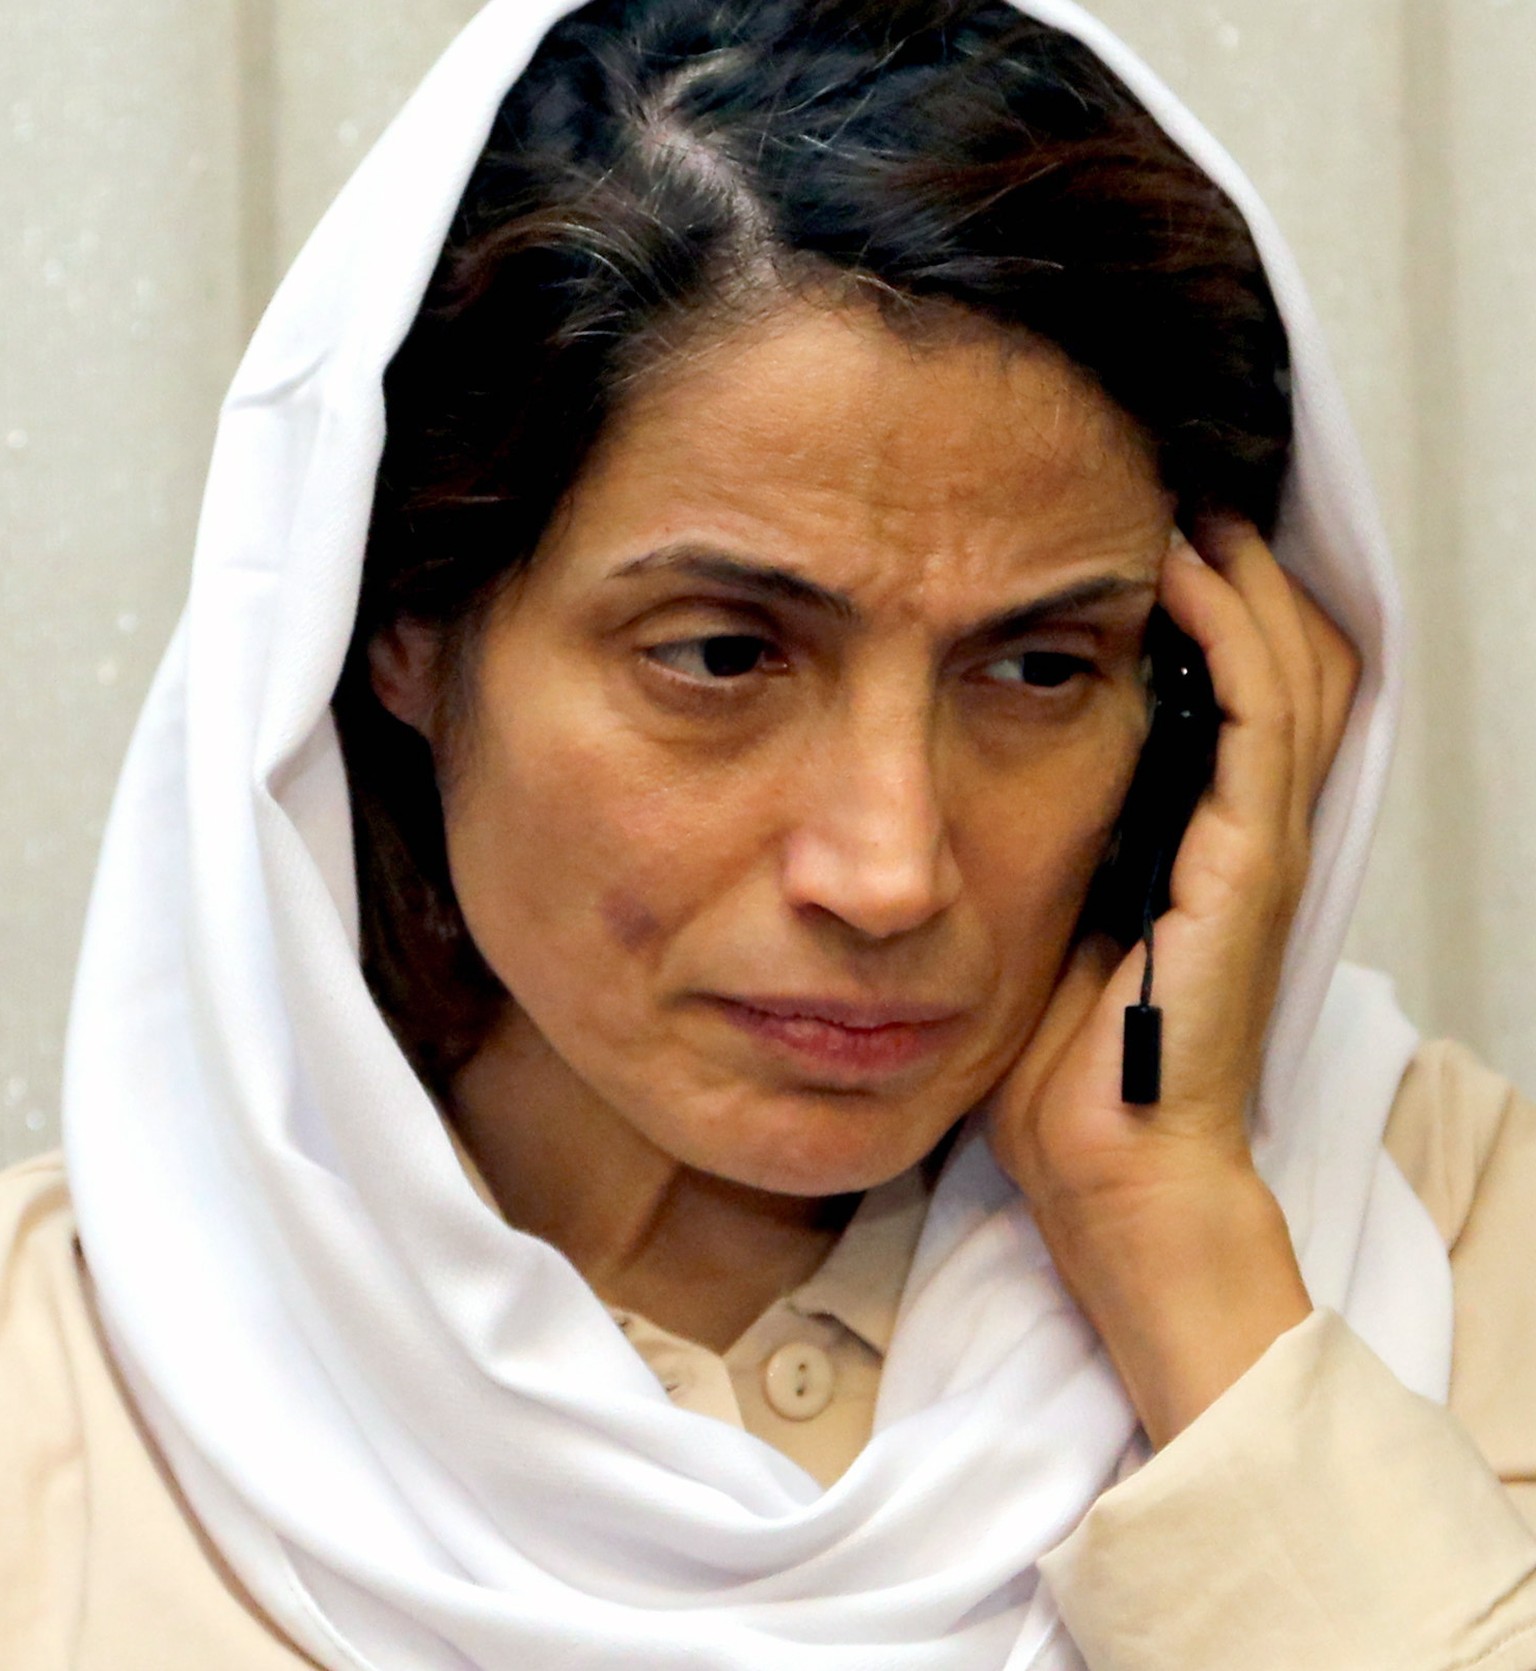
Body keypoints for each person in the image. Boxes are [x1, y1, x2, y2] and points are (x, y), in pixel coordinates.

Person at [4, 0, 1535, 1666]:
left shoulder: (1441, 1233)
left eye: (1038, 667)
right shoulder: (53, 1406)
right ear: (398, 633)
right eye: (724, 657)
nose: (889, 872)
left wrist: (1179, 1244)